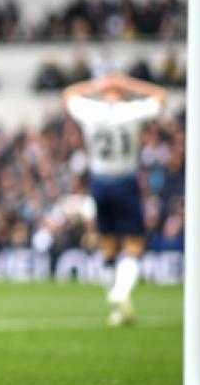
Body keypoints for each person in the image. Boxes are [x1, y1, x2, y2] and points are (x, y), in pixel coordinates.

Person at [63, 72, 167, 326]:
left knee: (108, 244)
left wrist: (97, 85)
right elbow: (162, 96)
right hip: (125, 180)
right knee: (133, 243)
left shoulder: (91, 110)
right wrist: (129, 83)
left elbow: (67, 94)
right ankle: (121, 292)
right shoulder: (131, 111)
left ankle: (116, 304)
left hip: (99, 181)